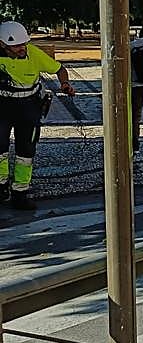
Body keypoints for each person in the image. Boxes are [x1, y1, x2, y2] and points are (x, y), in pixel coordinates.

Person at [0, 21, 75, 210]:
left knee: (26, 151)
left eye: (23, 44)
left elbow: (60, 69)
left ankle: (20, 193)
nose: (21, 48)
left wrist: (65, 84)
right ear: (2, 45)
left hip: (28, 106)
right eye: (16, 46)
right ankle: (1, 188)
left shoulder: (32, 53)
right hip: (2, 106)